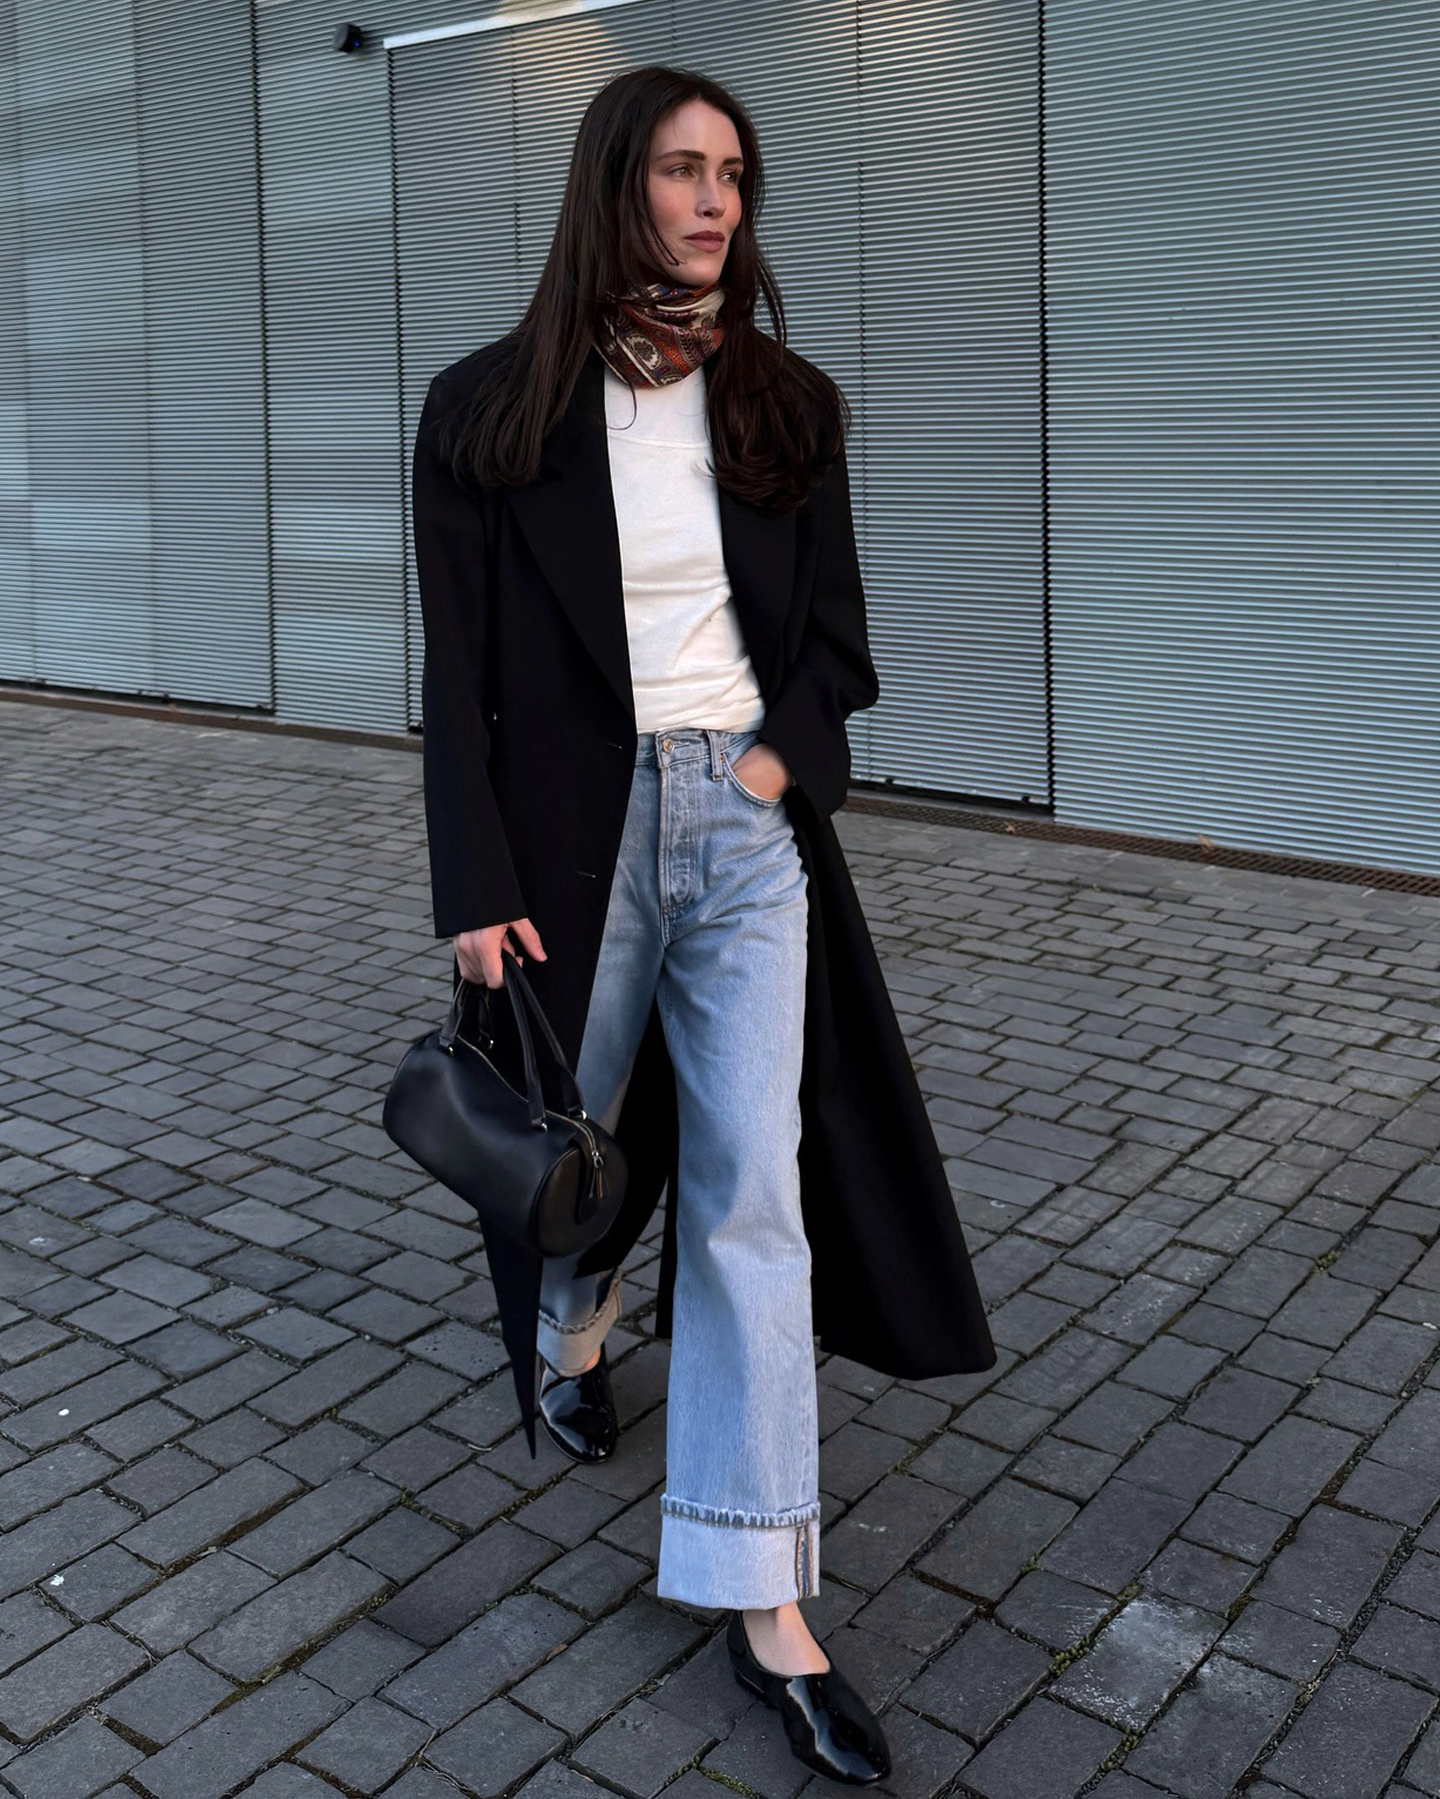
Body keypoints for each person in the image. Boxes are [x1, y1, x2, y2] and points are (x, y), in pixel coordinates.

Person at [411, 62, 994, 1788]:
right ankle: (570, 1323)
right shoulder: (488, 410)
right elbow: (457, 679)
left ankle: (765, 1593)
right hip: (568, 847)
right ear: (616, 187)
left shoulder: (785, 404)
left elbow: (841, 653)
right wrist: (475, 883)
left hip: (741, 839)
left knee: (755, 1189)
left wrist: (765, 774)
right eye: (681, 169)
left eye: (733, 171)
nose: (715, 199)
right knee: (567, 1150)